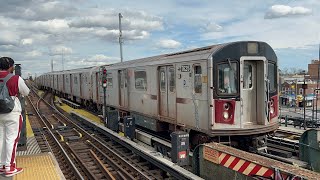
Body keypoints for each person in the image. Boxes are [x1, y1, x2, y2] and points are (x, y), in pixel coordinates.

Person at [0, 57, 29, 177]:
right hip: (12, 112)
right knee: (11, 139)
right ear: (11, 66)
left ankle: (1, 166)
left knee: (1, 138)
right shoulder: (15, 78)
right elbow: (26, 92)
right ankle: (9, 167)